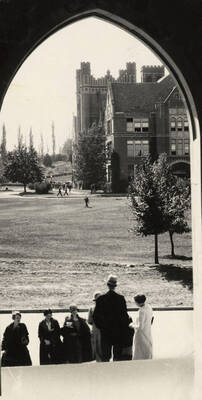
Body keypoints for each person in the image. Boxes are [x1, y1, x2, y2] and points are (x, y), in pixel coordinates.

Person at [93, 275, 131, 362]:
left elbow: (95, 316)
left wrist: (102, 327)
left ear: (107, 285)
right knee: (117, 356)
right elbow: (124, 316)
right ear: (115, 286)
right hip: (118, 331)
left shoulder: (100, 299)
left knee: (105, 356)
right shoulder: (121, 299)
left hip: (105, 331)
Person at [132, 294, 154, 360]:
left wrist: (132, 325)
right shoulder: (149, 307)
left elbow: (140, 327)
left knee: (139, 351)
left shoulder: (141, 311)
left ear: (137, 302)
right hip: (148, 331)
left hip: (141, 335)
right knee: (147, 348)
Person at [88, 292, 102, 362]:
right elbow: (89, 320)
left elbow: (89, 321)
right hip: (97, 328)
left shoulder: (92, 308)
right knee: (97, 344)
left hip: (99, 328)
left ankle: (100, 359)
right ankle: (98, 359)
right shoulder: (92, 308)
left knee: (99, 344)